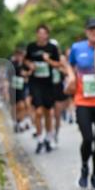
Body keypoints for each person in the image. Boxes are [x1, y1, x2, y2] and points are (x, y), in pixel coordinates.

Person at [67, 18, 95, 190]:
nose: (94, 32)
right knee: (87, 138)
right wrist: (70, 76)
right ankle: (84, 167)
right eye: (91, 30)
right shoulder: (77, 48)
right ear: (86, 31)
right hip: (82, 101)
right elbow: (70, 65)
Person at [25, 25, 62, 154]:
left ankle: (48, 137)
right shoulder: (31, 47)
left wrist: (48, 60)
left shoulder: (52, 48)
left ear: (47, 35)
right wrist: (30, 65)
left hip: (48, 84)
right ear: (36, 34)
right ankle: (40, 139)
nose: (41, 35)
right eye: (39, 33)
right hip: (35, 83)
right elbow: (26, 60)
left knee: (48, 112)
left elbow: (58, 64)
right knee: (38, 111)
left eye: (44, 33)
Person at [9, 48, 30, 132]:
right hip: (13, 87)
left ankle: (21, 122)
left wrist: (27, 75)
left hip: (22, 87)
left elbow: (29, 73)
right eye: (17, 55)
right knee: (14, 106)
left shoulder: (25, 65)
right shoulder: (12, 64)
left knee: (22, 105)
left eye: (20, 55)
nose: (19, 57)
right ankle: (15, 122)